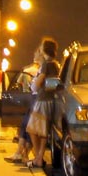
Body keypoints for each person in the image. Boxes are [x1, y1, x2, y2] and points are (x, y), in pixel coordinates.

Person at [26, 37, 59, 168]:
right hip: (50, 99)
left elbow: (38, 82)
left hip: (42, 99)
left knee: (32, 128)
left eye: (41, 45)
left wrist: (33, 86)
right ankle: (39, 157)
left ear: (45, 49)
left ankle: (38, 157)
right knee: (43, 129)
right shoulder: (55, 64)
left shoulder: (46, 64)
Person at [5, 55, 41, 164]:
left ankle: (21, 153)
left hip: (29, 97)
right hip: (36, 98)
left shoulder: (27, 70)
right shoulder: (40, 70)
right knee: (28, 125)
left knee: (27, 125)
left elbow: (19, 82)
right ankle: (22, 153)